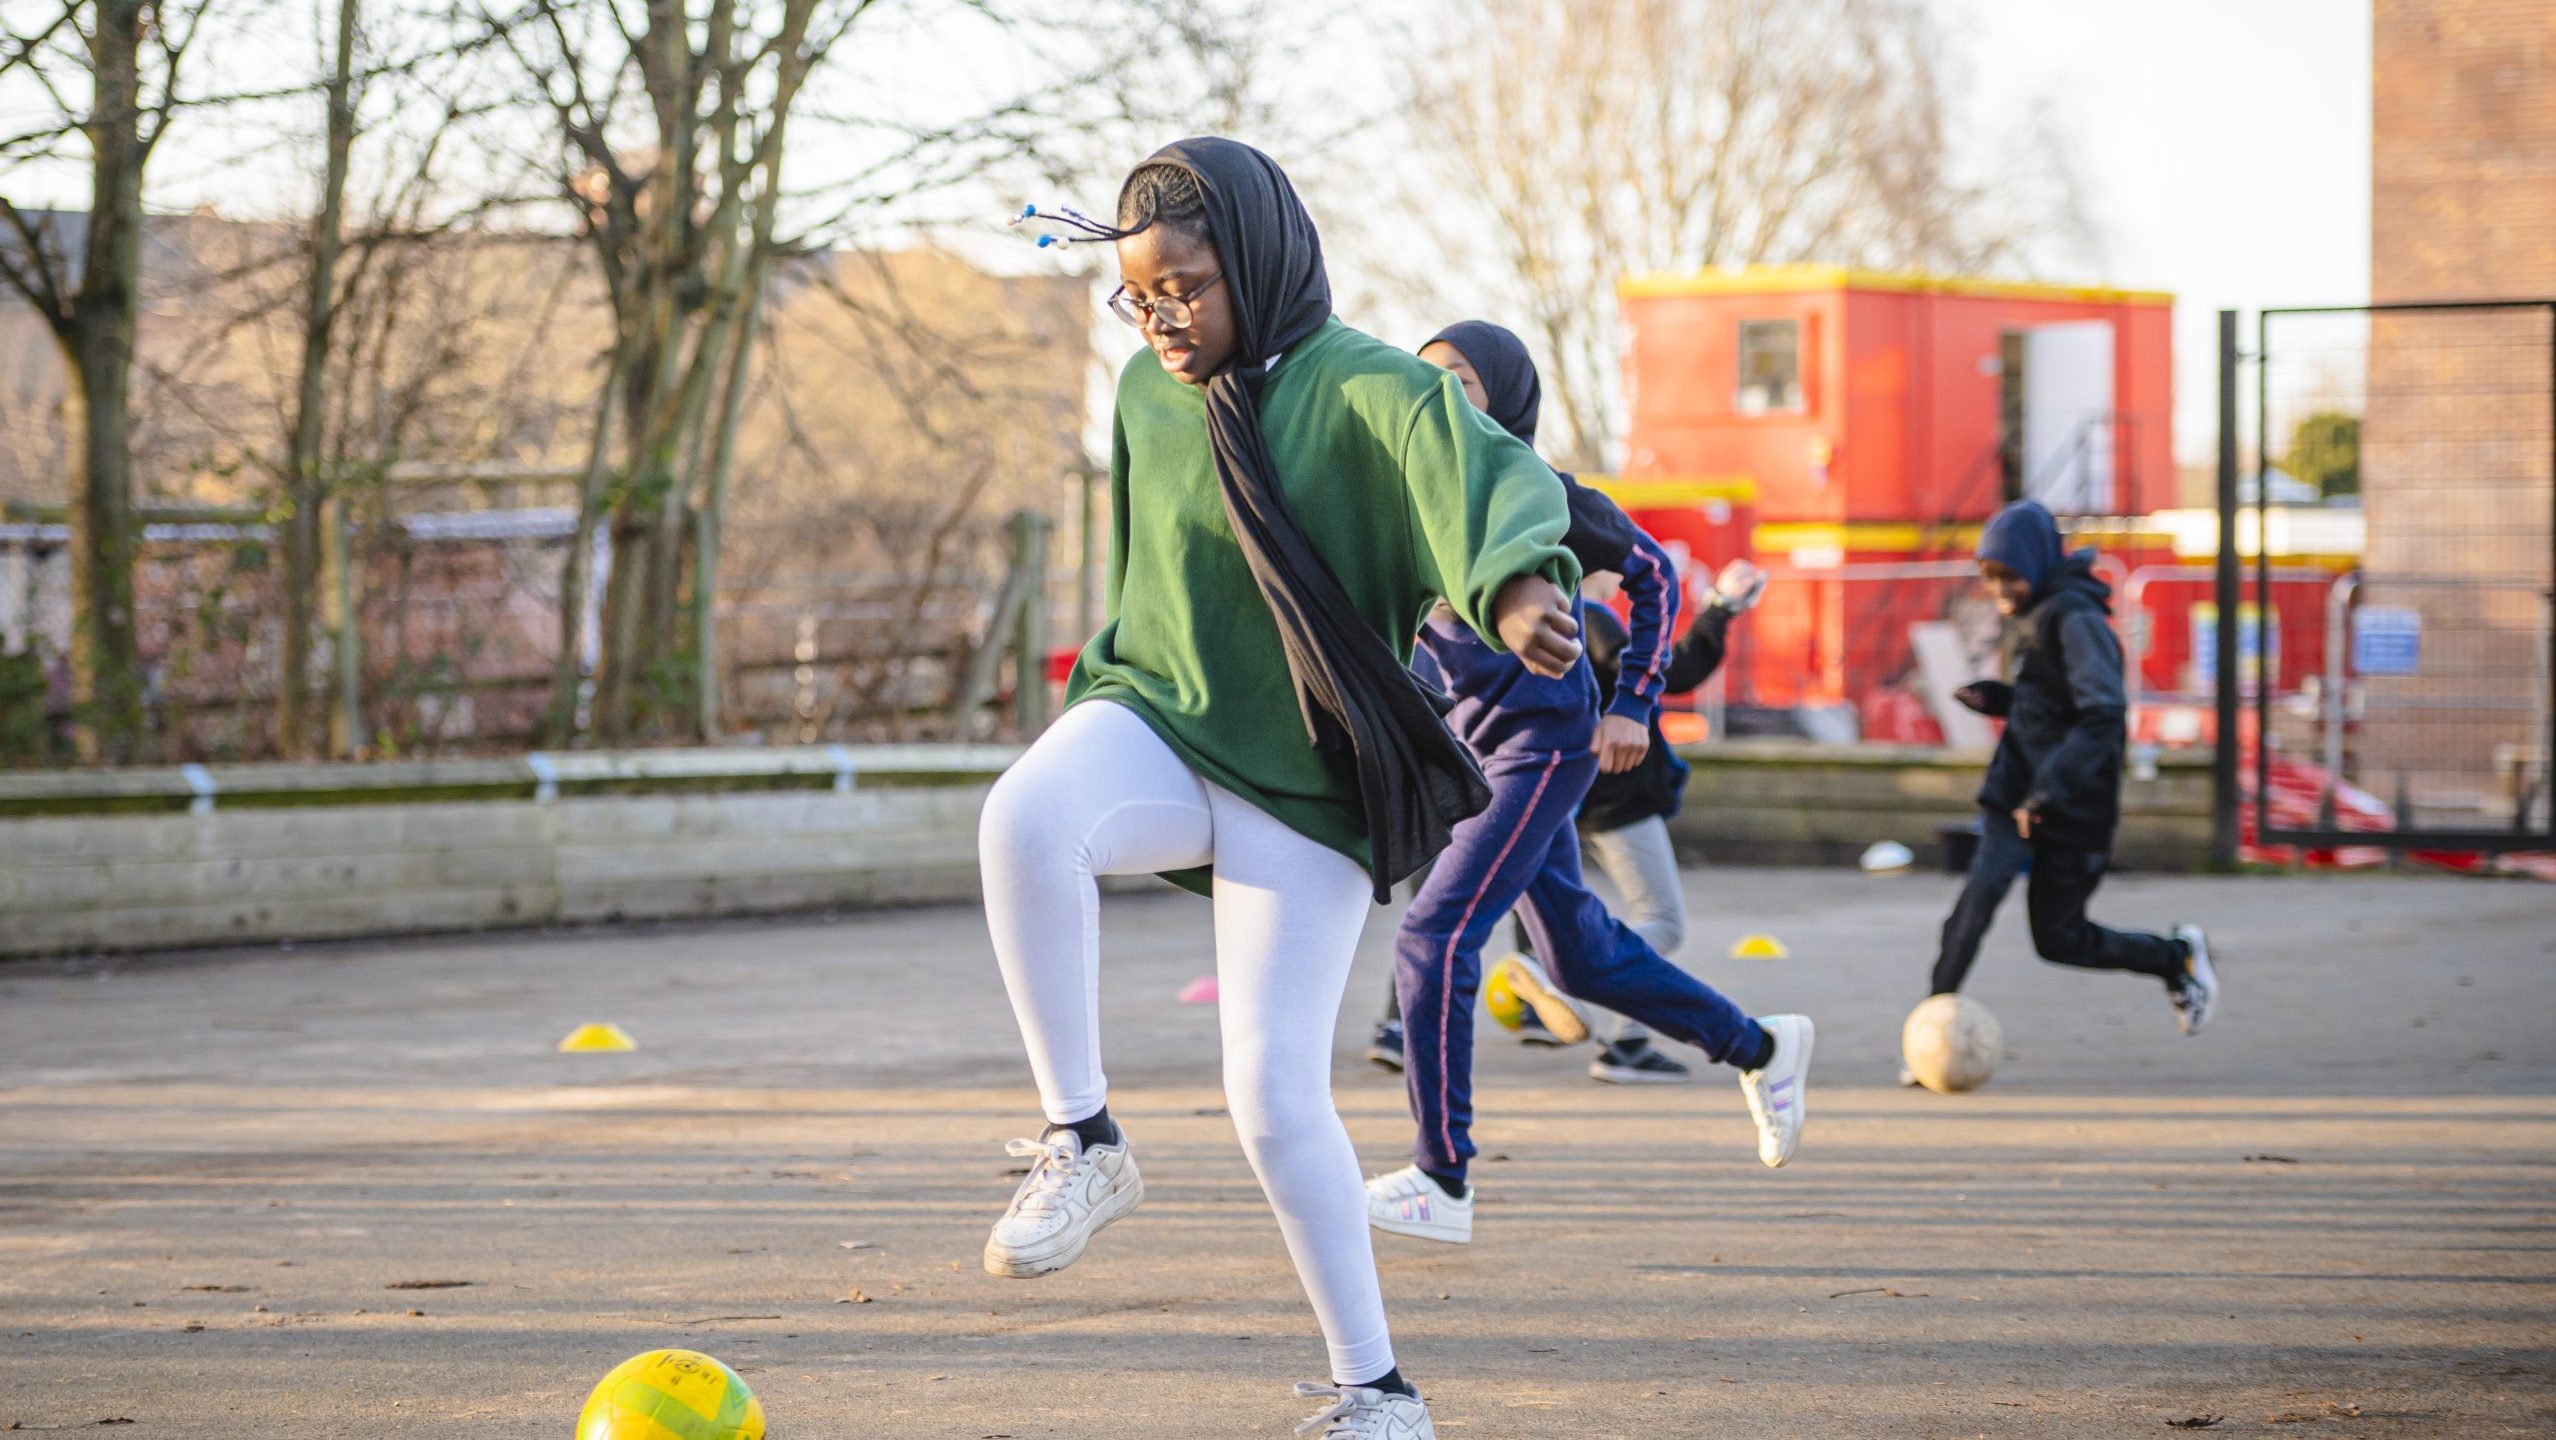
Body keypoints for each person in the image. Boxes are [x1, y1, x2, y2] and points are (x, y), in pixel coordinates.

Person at [977, 141, 1586, 1438]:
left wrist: (1524, 586)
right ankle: (1083, 1141)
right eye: (1140, 296)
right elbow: (1147, 569)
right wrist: (1107, 693)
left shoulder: (1368, 388)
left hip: (1304, 770)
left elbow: (1488, 477)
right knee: (1022, 815)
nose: (1163, 318)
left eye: (1187, 287)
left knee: (1271, 1097)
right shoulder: (1146, 394)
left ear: (1253, 262)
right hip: (1162, 712)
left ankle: (1376, 1390)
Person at [1358, 320, 1814, 1251]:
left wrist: (1633, 704)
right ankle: (1762, 1048)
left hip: (1542, 744)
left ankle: (1442, 1177)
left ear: (1507, 402)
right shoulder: (1408, 497)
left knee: (1435, 937)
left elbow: (1650, 573)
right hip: (1470, 752)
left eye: (1461, 380)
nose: (1435, 393)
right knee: (1579, 961)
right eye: (1423, 376)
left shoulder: (1537, 493)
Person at [1924, 499, 2219, 1060]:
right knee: (1972, 908)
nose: (2000, 592)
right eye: (1990, 580)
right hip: (2014, 793)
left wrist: (2049, 793)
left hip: (2070, 803)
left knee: (2059, 939)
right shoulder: (2035, 612)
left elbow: (2102, 713)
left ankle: (2174, 958)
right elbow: (2051, 705)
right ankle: (1931, 1036)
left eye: (2007, 577)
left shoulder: (2077, 619)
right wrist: (2002, 700)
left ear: (2035, 564)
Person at [1505, 553, 1768, 1084]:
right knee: (1663, 920)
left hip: (1570, 794)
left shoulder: (1526, 625)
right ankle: (1571, 974)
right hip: (1617, 799)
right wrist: (1721, 607)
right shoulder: (1592, 617)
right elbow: (1676, 672)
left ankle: (1625, 1038)